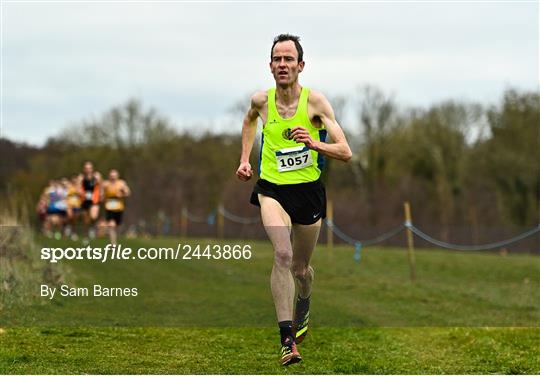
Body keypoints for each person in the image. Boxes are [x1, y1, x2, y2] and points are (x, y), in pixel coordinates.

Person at [235, 34, 352, 366]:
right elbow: (247, 122)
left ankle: (305, 297)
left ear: (300, 66)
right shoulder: (261, 101)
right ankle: (287, 341)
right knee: (282, 254)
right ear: (270, 66)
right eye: (277, 59)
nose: (282, 64)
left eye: (289, 59)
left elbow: (346, 151)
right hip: (272, 188)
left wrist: (315, 144)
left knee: (301, 268)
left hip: (308, 192)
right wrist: (245, 159)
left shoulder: (316, 103)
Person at [102, 169, 130, 245]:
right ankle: (113, 244)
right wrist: (103, 198)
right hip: (109, 207)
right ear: (109, 176)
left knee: (117, 225)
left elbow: (128, 193)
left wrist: (122, 194)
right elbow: (102, 195)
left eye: (114, 176)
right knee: (111, 225)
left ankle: (114, 239)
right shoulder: (106, 184)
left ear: (117, 176)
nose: (113, 178)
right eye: (111, 176)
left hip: (119, 207)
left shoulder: (121, 184)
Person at [80, 161, 102, 240]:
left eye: (89, 168)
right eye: (86, 168)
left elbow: (100, 186)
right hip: (84, 200)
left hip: (94, 200)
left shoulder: (97, 176)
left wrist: (101, 194)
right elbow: (78, 187)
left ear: (92, 169)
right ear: (84, 169)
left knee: (93, 216)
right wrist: (81, 193)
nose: (88, 170)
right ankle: (86, 233)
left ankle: (93, 229)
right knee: (86, 220)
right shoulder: (81, 177)